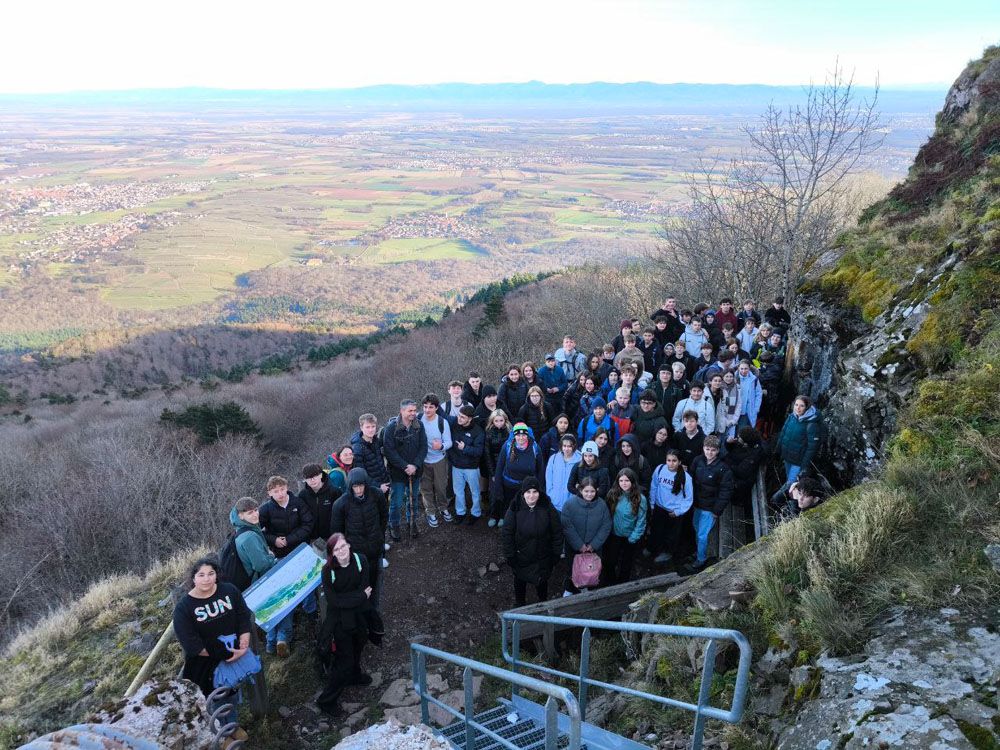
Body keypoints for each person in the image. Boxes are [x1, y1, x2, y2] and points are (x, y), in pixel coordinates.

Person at [173, 558, 253, 744]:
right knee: (214, 700)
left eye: (211, 573)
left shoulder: (229, 591)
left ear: (217, 575)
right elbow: (191, 644)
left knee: (232, 694)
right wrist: (228, 653)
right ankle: (222, 735)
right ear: (193, 578)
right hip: (205, 665)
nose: (207, 579)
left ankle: (232, 726)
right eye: (201, 575)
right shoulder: (184, 608)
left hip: (234, 656)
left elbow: (243, 616)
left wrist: (244, 643)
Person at [315, 533, 374, 717]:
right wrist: (359, 597)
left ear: (349, 545)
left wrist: (351, 598)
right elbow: (334, 601)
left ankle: (354, 676)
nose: (341, 551)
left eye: (343, 546)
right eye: (336, 549)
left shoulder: (361, 560)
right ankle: (326, 701)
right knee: (344, 661)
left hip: (359, 614)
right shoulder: (327, 571)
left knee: (360, 643)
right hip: (339, 620)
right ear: (331, 553)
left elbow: (366, 588)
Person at [258, 476, 315, 655]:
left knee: (306, 582)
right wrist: (274, 540)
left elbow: (308, 524)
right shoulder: (266, 509)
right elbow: (259, 531)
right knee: (286, 591)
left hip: (300, 552)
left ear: (287, 487)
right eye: (276, 491)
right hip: (280, 556)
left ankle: (311, 615)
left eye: (282, 489)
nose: (280, 494)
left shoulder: (297, 503)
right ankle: (279, 636)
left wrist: (290, 539)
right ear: (270, 493)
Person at [501, 477, 564, 605]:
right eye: (528, 492)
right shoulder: (515, 507)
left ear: (539, 493)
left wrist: (556, 553)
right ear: (523, 493)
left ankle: (542, 603)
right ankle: (520, 603)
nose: (531, 495)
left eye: (535, 492)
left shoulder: (547, 507)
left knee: (542, 583)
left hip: (543, 557)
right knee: (520, 581)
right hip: (521, 556)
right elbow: (507, 533)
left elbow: (557, 531)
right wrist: (510, 555)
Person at [331, 467, 388, 602]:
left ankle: (373, 605)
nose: (358, 490)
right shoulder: (341, 504)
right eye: (355, 486)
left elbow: (384, 516)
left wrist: (379, 535)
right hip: (356, 551)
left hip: (375, 547)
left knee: (375, 580)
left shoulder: (377, 495)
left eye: (361, 485)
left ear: (366, 484)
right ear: (350, 486)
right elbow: (337, 532)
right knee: (359, 582)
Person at [682, 436, 734, 575]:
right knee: (696, 528)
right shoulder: (697, 460)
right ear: (703, 448)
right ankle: (699, 551)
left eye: (713, 450)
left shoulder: (723, 469)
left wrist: (717, 511)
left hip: (710, 508)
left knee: (702, 535)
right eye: (707, 449)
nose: (709, 452)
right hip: (697, 504)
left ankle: (701, 559)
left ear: (718, 451)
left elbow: (725, 492)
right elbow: (690, 479)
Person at [382, 399, 428, 541]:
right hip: (397, 473)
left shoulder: (419, 426)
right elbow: (389, 451)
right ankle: (394, 525)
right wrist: (405, 466)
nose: (413, 413)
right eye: (410, 411)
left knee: (413, 499)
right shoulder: (391, 428)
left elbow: (423, 447)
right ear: (402, 411)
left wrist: (415, 465)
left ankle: (412, 522)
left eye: (414, 410)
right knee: (396, 502)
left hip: (415, 471)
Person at [560, 476, 612, 595]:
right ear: (580, 490)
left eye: (592, 491)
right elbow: (567, 526)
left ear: (596, 490)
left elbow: (606, 525)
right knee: (572, 568)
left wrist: (594, 544)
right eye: (586, 491)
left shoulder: (602, 505)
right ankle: (570, 589)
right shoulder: (569, 504)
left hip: (594, 547)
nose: (589, 494)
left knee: (592, 568)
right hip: (574, 547)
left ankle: (589, 587)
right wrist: (579, 545)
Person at [490, 422, 544, 528]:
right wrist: (498, 486)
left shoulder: (535, 447)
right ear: (514, 435)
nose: (521, 438)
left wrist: (540, 487)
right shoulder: (507, 446)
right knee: (508, 505)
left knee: (523, 507)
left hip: (526, 487)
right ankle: (505, 519)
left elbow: (540, 469)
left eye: (524, 435)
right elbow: (500, 467)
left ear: (527, 435)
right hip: (509, 485)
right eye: (518, 435)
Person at [646, 449, 694, 564]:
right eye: (668, 460)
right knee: (656, 529)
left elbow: (688, 498)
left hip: (674, 511)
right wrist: (652, 503)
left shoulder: (686, 478)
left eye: (674, 461)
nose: (671, 463)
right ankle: (652, 548)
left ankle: (667, 552)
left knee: (671, 534)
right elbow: (654, 486)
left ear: (679, 462)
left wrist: (678, 511)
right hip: (659, 507)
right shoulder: (660, 469)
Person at [601, 469, 648, 584]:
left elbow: (641, 520)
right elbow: (606, 514)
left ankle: (623, 583)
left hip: (630, 536)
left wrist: (634, 537)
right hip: (614, 534)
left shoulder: (640, 498)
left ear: (632, 481)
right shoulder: (613, 494)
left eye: (627, 480)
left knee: (626, 563)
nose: (624, 483)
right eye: (621, 480)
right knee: (611, 561)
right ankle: (611, 582)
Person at [419, 393, 453, 527]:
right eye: (425, 407)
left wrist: (441, 446)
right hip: (423, 461)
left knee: (441, 487)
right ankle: (430, 512)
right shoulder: (418, 419)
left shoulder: (442, 422)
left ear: (437, 408)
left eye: (431, 407)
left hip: (439, 460)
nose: (427, 410)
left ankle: (443, 508)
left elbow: (449, 441)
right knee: (425, 488)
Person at [776, 395, 824, 486]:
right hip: (787, 457)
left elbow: (812, 448)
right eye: (796, 405)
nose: (798, 408)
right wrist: (778, 450)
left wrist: (804, 465)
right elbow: (783, 433)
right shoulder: (792, 417)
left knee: (791, 484)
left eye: (802, 406)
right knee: (789, 481)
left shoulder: (811, 424)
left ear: (807, 407)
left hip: (798, 462)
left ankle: (783, 494)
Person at [448, 405, 485, 523]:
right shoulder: (455, 424)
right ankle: (460, 512)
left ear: (470, 418)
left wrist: (465, 448)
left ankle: (476, 513)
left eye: (462, 417)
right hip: (456, 466)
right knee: (458, 491)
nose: (459, 418)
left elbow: (479, 451)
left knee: (475, 492)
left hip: (471, 468)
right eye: (459, 415)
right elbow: (442, 416)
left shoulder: (478, 431)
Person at [299, 464, 340, 543]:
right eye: (308, 478)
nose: (312, 480)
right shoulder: (302, 495)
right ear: (305, 480)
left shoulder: (335, 492)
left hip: (331, 537)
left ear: (321, 475)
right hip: (311, 538)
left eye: (315, 476)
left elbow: (341, 515)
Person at [351, 415, 391, 495]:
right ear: (361, 428)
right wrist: (378, 486)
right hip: (371, 490)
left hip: (384, 484)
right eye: (367, 427)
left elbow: (380, 464)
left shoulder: (376, 441)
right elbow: (361, 474)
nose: (371, 430)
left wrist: (387, 480)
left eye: (373, 426)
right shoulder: (357, 448)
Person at [545, 434, 582, 513]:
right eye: (564, 446)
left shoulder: (580, 460)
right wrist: (551, 494)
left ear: (574, 446)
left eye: (569, 446)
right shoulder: (554, 458)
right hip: (555, 502)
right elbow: (548, 478)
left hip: (573, 504)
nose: (566, 449)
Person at [484, 409, 511, 486]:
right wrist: (492, 473)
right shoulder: (489, 432)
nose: (499, 423)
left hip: (508, 465)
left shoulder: (510, 431)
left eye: (501, 420)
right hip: (494, 465)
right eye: (496, 421)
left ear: (505, 420)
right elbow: (487, 454)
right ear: (492, 421)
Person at [715, 370, 742, 439]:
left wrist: (734, 420)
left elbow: (738, 405)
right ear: (723, 377)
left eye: (731, 376)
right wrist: (725, 421)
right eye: (726, 376)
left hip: (732, 420)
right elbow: (720, 408)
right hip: (721, 420)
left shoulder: (737, 388)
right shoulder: (719, 388)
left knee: (729, 440)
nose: (729, 378)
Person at [736, 359, 763, 430]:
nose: (743, 371)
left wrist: (756, 408)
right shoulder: (734, 378)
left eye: (746, 368)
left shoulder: (754, 379)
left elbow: (758, 394)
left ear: (749, 368)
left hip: (750, 410)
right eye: (741, 368)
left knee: (747, 429)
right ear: (738, 368)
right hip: (737, 409)